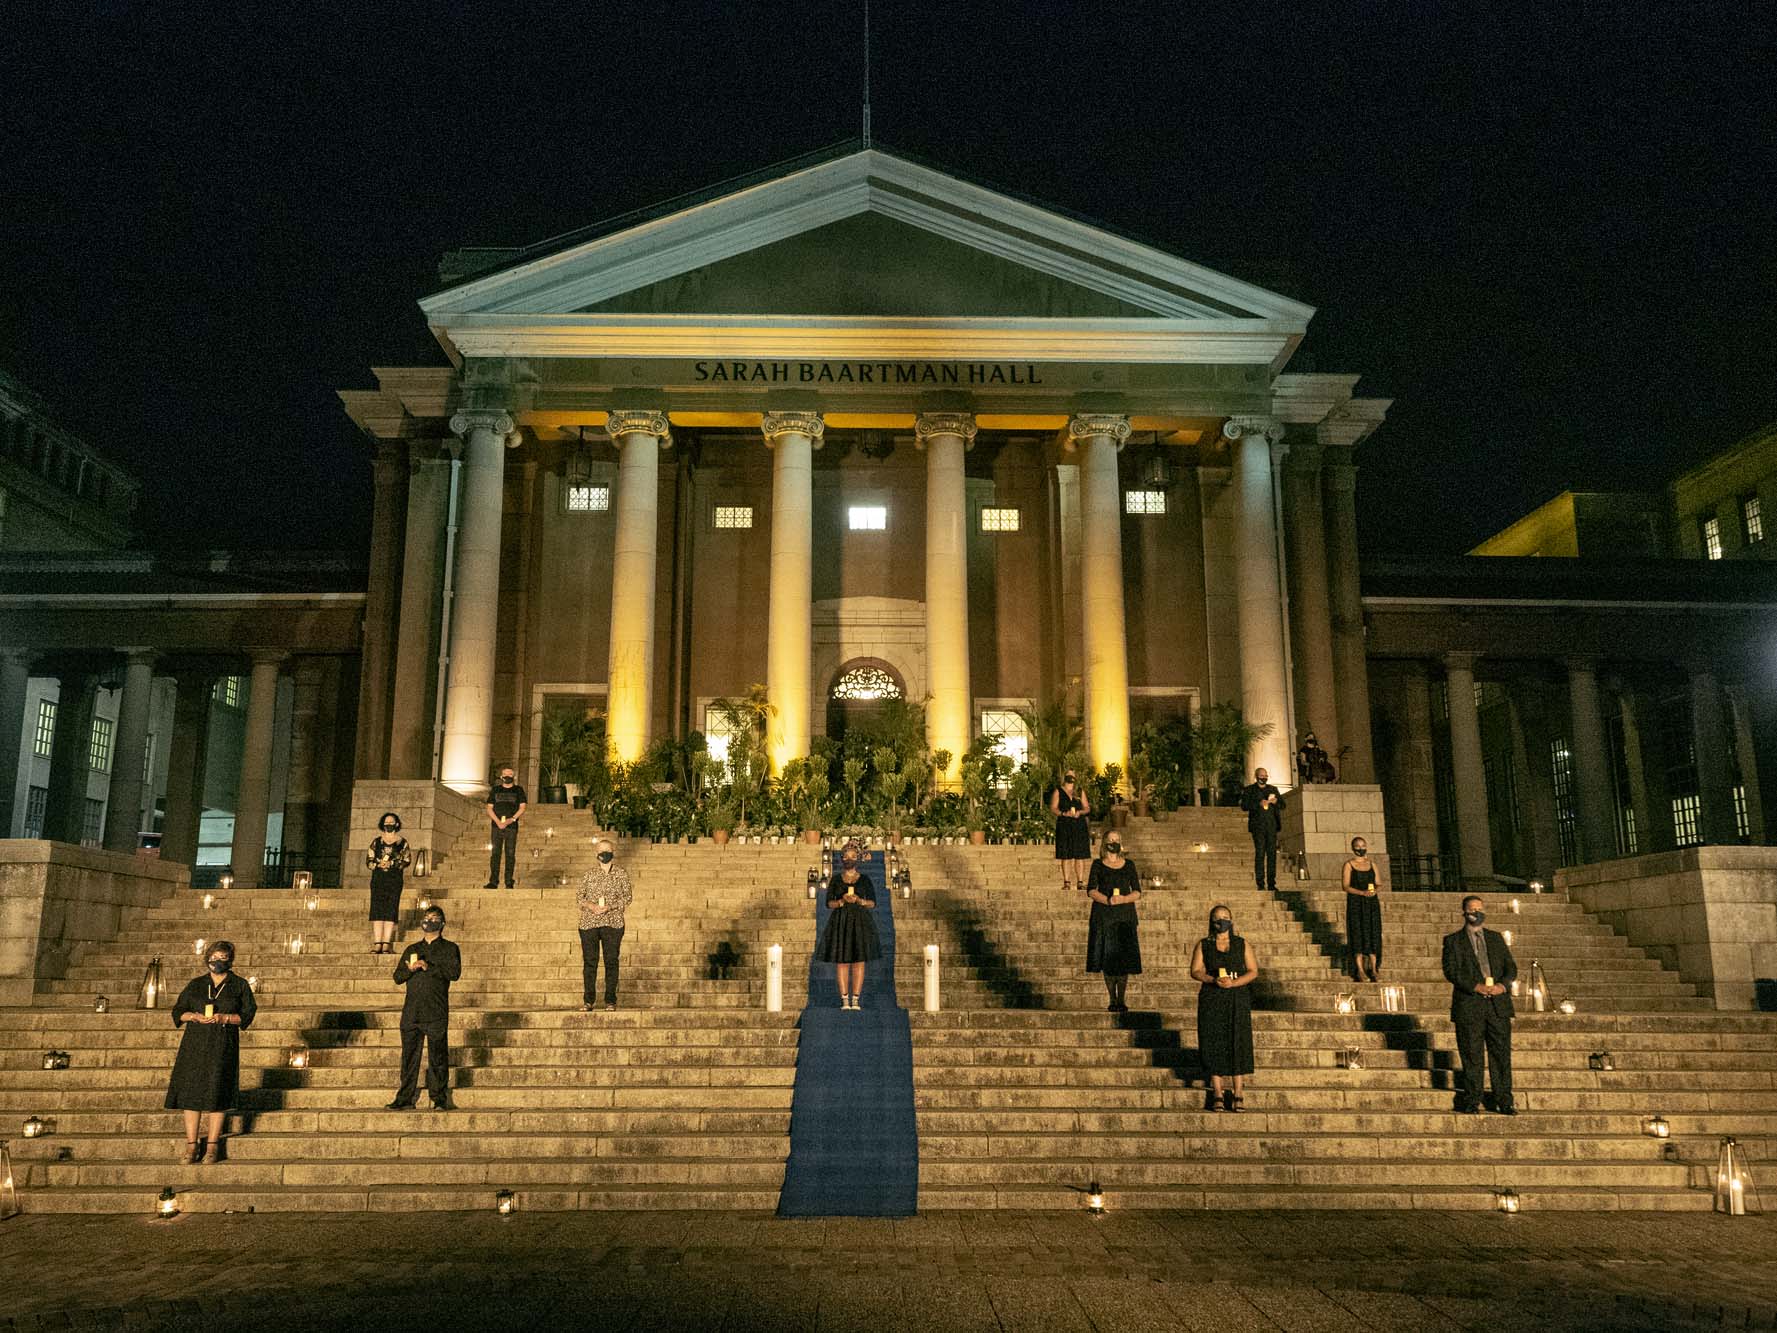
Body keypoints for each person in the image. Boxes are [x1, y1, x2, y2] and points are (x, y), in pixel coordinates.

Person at [164, 940, 257, 1164]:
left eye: (223, 958)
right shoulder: (196, 984)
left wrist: (224, 1018)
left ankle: (213, 1145)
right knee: (191, 1092)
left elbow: (247, 1014)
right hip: (195, 1043)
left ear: (230, 960)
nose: (217, 961)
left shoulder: (239, 985)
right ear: (207, 958)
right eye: (214, 957)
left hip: (223, 1043)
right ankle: (191, 1145)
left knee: (218, 1090)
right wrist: (194, 1016)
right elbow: (178, 1011)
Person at [1442, 894, 1517, 1115]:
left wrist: (1503, 986)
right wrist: (1476, 987)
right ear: (1464, 913)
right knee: (1472, 1055)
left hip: (1497, 1004)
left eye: (1480, 909)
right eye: (1472, 909)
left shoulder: (1495, 938)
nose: (1477, 913)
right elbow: (1451, 971)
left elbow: (1510, 967)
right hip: (1470, 1004)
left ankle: (1504, 1100)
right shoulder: (1453, 941)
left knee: (1501, 1055)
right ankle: (1472, 1099)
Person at [388, 905, 461, 1111]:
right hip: (412, 1010)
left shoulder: (450, 948)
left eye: (434, 918)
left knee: (438, 1056)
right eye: (427, 917)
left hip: (436, 1010)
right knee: (409, 1056)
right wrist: (410, 970)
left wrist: (431, 967)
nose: (429, 920)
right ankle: (405, 1097)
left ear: (442, 923)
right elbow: (397, 977)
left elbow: (454, 973)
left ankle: (439, 1098)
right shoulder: (412, 949)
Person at [1190, 904, 1258, 1112]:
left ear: (1232, 920)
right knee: (1214, 1040)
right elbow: (1195, 970)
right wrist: (1213, 980)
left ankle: (1238, 1091)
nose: (1222, 921)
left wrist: (1234, 983)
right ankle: (1218, 1091)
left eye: (1226, 917)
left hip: (1237, 996)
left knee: (1237, 1039)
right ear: (1212, 921)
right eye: (1218, 918)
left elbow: (1253, 971)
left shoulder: (1241, 943)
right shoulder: (1204, 944)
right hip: (1213, 996)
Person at [815, 842, 880, 1010]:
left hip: (859, 921)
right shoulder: (836, 879)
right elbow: (828, 903)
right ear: (842, 858)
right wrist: (841, 900)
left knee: (859, 960)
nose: (849, 859)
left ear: (857, 859)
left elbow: (873, 903)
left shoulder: (864, 879)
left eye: (852, 856)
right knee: (842, 960)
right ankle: (844, 999)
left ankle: (856, 999)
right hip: (841, 921)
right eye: (846, 856)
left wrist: (860, 900)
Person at [1085, 833, 1142, 1013]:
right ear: (1104, 843)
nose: (1113, 843)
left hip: (1125, 915)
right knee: (1107, 959)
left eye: (1117, 840)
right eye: (1110, 840)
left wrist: (1124, 899)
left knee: (1123, 959)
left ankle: (1122, 998)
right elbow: (1091, 890)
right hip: (1104, 915)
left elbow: (1138, 891)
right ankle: (1112, 998)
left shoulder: (1129, 865)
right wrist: (1108, 900)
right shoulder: (1097, 864)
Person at [578, 838, 633, 1011]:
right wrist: (591, 906)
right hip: (589, 923)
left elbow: (628, 897)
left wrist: (610, 906)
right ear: (596, 854)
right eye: (601, 851)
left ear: (613, 852)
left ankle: (610, 1000)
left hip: (613, 922)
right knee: (590, 962)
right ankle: (588, 1001)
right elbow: (580, 897)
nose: (604, 853)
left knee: (611, 961)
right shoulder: (589, 874)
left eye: (607, 850)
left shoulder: (621, 873)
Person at [365, 811, 411, 954]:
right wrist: (378, 864)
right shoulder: (376, 842)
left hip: (394, 880)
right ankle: (377, 943)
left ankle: (386, 943)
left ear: (396, 824)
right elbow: (369, 860)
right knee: (377, 910)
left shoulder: (402, 842)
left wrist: (392, 864)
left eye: (391, 822)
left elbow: (406, 860)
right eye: (386, 822)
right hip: (378, 879)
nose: (388, 825)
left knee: (391, 909)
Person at [1342, 835, 1384, 982]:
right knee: (1358, 933)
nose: (1361, 848)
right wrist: (1361, 893)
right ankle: (1360, 970)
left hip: (1371, 904)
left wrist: (1374, 891)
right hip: (1356, 903)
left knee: (1373, 933)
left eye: (1363, 845)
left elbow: (1379, 882)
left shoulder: (1372, 864)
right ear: (1353, 848)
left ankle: (1374, 969)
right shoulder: (1349, 865)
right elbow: (1346, 886)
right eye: (1358, 846)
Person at [1239, 767, 1285, 891]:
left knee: (1272, 855)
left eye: (1265, 775)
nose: (1264, 777)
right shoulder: (1249, 790)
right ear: (1256, 776)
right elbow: (1244, 806)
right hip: (1258, 826)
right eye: (1261, 775)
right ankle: (1260, 883)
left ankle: (1271, 883)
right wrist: (1258, 804)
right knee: (1260, 854)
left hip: (1271, 826)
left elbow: (1283, 805)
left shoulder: (1273, 789)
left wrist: (1275, 802)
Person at [484, 765, 527, 889]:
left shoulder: (518, 790)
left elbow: (522, 807)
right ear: (501, 777)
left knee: (510, 853)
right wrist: (498, 822)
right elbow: (489, 808)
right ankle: (493, 881)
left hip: (511, 827)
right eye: (505, 774)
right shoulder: (495, 790)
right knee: (495, 854)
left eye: (510, 775)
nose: (507, 776)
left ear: (514, 777)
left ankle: (509, 881)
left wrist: (511, 820)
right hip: (496, 827)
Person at [1050, 771, 1092, 892]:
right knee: (1066, 855)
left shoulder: (1079, 791)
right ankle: (1067, 882)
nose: (1071, 777)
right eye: (1069, 775)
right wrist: (1064, 813)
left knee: (1080, 855)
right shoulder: (1058, 791)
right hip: (1064, 825)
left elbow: (1087, 807)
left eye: (1073, 775)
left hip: (1079, 825)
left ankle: (1080, 881)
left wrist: (1080, 812)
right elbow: (1053, 808)